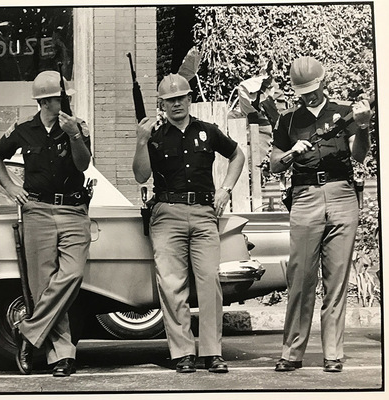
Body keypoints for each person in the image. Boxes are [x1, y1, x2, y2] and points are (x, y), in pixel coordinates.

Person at [132, 73, 245, 374]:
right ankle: (182, 352)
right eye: (170, 100)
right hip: (167, 212)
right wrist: (141, 141)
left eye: (181, 98)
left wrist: (226, 189)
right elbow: (141, 175)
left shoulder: (207, 131)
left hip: (204, 211)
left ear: (189, 99)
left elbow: (237, 155)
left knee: (210, 282)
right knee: (172, 285)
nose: (176, 104)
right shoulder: (154, 136)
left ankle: (212, 352)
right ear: (162, 104)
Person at [0, 70, 92, 377]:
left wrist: (74, 134)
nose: (58, 104)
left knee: (71, 275)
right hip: (37, 210)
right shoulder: (24, 130)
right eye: (53, 99)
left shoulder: (76, 127)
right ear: (43, 102)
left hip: (72, 208)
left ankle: (27, 331)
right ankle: (61, 356)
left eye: (60, 98)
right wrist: (11, 188)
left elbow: (84, 164)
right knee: (43, 286)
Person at [270, 56, 372, 373]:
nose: (309, 96)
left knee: (336, 279)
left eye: (313, 89)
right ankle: (292, 352)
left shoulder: (343, 113)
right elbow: (274, 165)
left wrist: (365, 126)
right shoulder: (287, 121)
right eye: (303, 91)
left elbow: (358, 154)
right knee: (300, 277)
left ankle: (333, 353)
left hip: (342, 194)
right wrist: (291, 153)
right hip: (304, 196)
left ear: (323, 82)